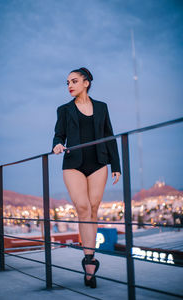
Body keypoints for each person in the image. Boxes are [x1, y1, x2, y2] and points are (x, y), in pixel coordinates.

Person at [52, 67, 121, 288]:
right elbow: (58, 133)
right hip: (73, 164)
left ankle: (90, 262)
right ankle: (88, 258)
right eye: (67, 82)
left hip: (99, 163)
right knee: (82, 207)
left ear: (86, 83)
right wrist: (56, 144)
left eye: (74, 81)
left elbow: (110, 135)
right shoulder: (63, 110)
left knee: (93, 208)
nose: (70, 85)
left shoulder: (102, 107)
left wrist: (116, 165)